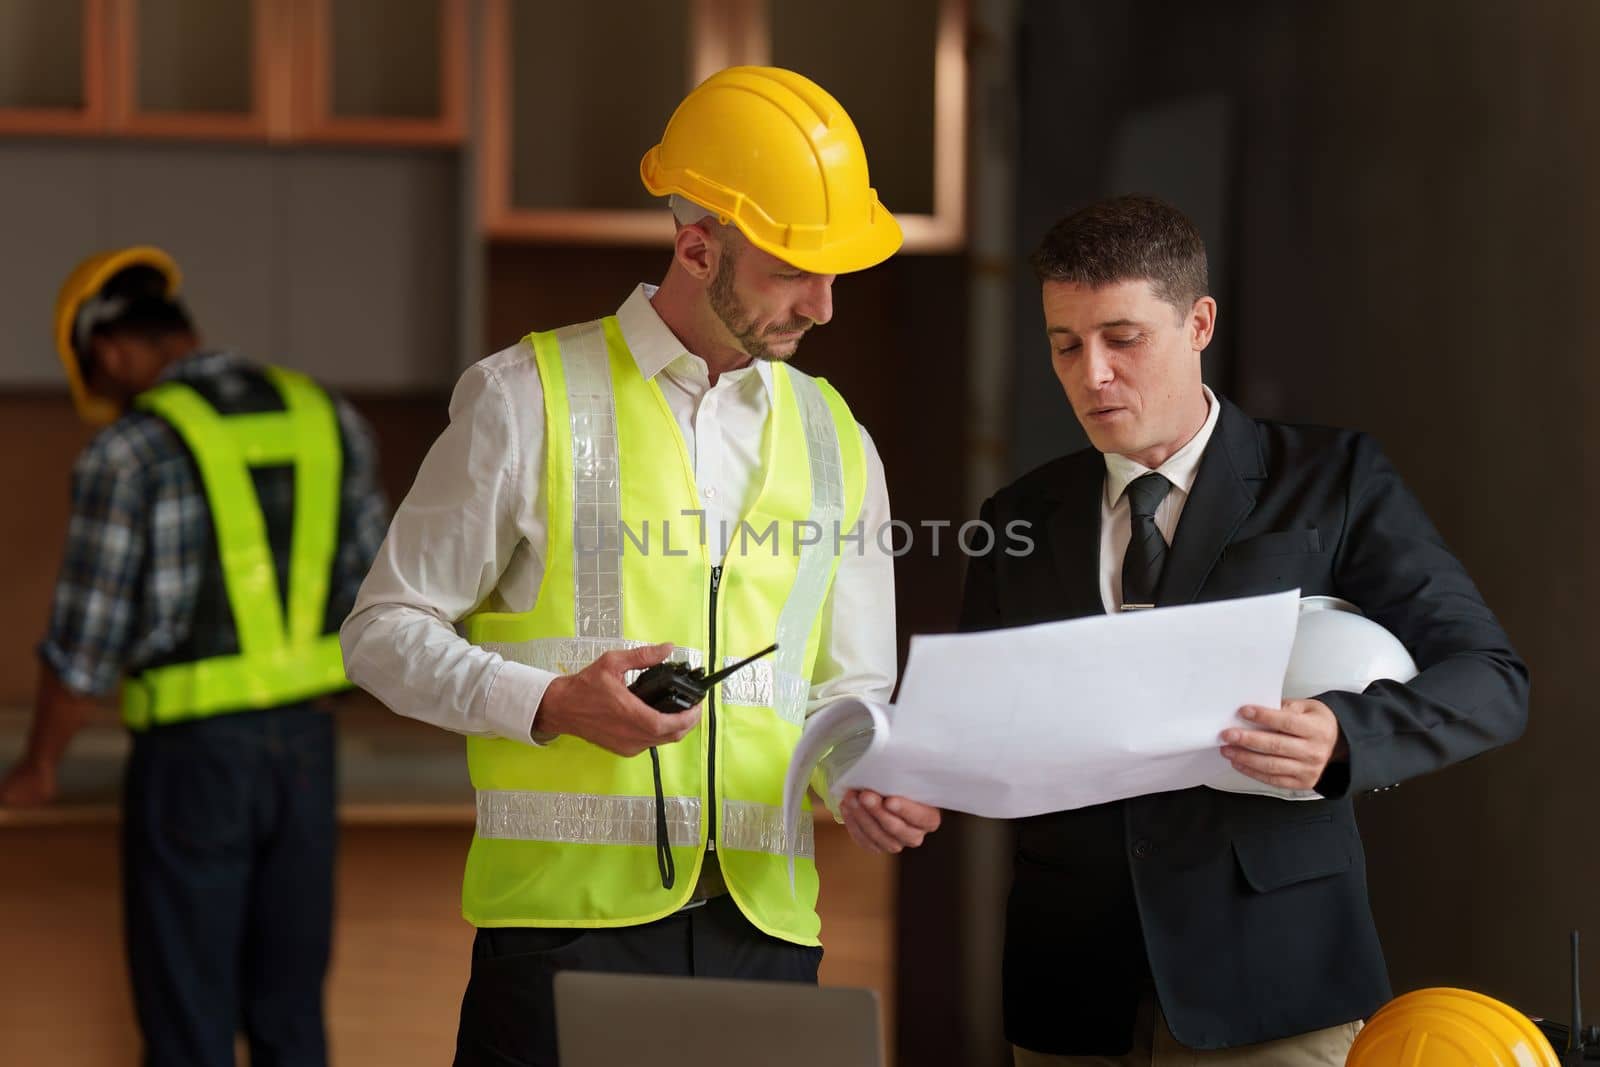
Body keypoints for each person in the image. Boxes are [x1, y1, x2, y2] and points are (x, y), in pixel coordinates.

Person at [340, 65, 941, 1067]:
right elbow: (382, 632)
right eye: (793, 269)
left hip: (767, 933)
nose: (825, 306)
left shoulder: (838, 437)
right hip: (564, 933)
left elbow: (848, 685)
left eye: (836, 272)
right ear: (697, 246)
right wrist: (548, 700)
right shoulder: (523, 397)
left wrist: (862, 774)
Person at [958, 196, 1528, 1066]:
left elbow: (1491, 678)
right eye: (1065, 344)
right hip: (1069, 989)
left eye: (1123, 338)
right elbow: (975, 720)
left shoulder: (1335, 480)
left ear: (1199, 324)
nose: (1092, 374)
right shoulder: (1019, 516)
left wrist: (1346, 735)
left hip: (1276, 979)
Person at [0, 246, 388, 1066]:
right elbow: (381, 598)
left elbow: (83, 646)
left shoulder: (130, 450)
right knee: (291, 1018)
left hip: (194, 768)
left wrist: (38, 769)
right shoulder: (328, 416)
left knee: (189, 1028)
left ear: (105, 352)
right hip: (308, 756)